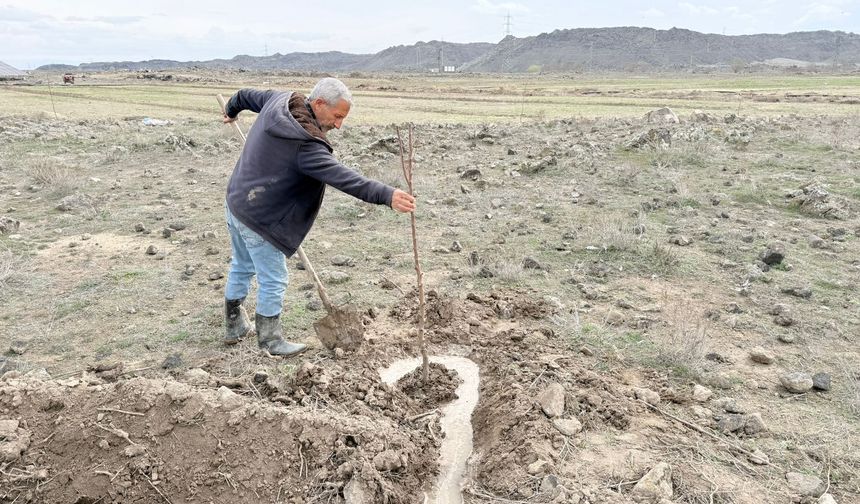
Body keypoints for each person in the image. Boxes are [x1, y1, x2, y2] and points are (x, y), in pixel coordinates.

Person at [221, 78, 416, 356]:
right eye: (338, 117)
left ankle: (234, 327)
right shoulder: (306, 146)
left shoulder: (280, 100)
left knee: (241, 264)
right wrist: (386, 194)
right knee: (274, 279)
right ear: (320, 103)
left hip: (237, 202)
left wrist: (231, 110)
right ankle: (270, 340)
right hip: (261, 219)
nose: (339, 125)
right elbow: (346, 179)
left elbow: (243, 95)